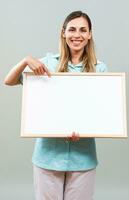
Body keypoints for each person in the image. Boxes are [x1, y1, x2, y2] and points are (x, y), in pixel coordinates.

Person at [4, 10, 107, 200]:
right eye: (72, 29)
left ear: (90, 34)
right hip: (48, 156)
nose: (77, 35)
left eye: (83, 30)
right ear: (63, 32)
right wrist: (26, 60)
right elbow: (8, 81)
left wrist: (86, 129)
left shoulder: (99, 69)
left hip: (83, 158)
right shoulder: (47, 64)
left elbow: (99, 112)